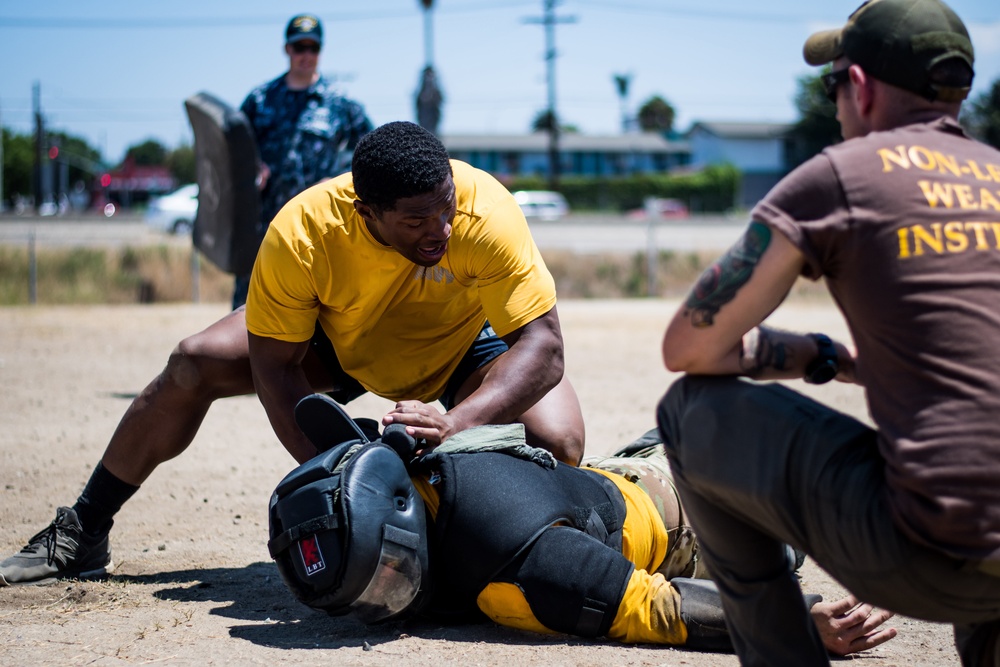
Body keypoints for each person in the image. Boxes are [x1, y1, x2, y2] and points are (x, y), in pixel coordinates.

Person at [0, 120, 585, 587]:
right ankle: (84, 528)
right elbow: (275, 368)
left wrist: (455, 423)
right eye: (415, 220)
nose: (441, 230)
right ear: (367, 213)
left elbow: (544, 347)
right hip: (339, 341)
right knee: (191, 362)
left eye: (446, 209)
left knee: (561, 440)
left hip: (462, 347)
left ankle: (499, 541)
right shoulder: (303, 232)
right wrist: (337, 481)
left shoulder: (484, 211)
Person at [655, 0, 1000, 664]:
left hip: (928, 556)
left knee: (688, 410)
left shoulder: (842, 176)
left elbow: (689, 346)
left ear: (861, 88)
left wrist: (817, 356)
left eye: (833, 84)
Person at [267, 403, 896, 655]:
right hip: (662, 499)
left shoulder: (512, 574)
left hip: (671, 500)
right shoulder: (430, 468)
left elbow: (657, 608)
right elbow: (658, 606)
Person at [233, 13, 374, 309]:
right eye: (300, 48)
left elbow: (371, 149)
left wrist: (338, 176)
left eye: (313, 48)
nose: (306, 55)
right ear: (287, 49)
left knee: (319, 302)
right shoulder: (259, 100)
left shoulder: (340, 102)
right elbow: (236, 149)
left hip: (320, 222)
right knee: (252, 303)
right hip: (266, 221)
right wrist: (252, 168)